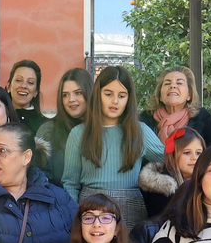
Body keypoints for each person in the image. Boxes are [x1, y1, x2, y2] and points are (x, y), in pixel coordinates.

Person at [63, 67, 165, 230]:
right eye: (108, 94)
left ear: (129, 98)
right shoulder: (79, 133)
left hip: (131, 209)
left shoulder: (140, 131)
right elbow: (70, 183)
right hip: (90, 211)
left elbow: (171, 161)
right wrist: (75, 218)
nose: (115, 101)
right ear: (98, 95)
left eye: (122, 96)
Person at [139, 66, 211, 151]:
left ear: (189, 95)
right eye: (167, 83)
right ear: (160, 95)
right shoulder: (143, 121)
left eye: (179, 83)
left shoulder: (205, 121)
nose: (172, 86)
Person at [138, 126, 204, 230]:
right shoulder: (160, 189)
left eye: (198, 153)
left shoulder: (207, 185)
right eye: (187, 152)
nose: (194, 158)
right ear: (173, 155)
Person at [37, 68, 90, 187]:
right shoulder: (48, 131)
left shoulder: (102, 129)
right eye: (65, 95)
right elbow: (40, 177)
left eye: (78, 93)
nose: (71, 99)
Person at [6, 60, 45, 133]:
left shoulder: (46, 126)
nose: (24, 86)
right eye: (19, 80)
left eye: (30, 82)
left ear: (36, 92)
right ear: (9, 86)